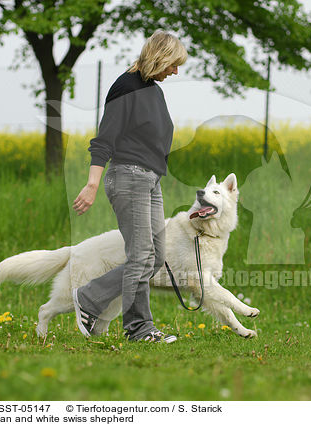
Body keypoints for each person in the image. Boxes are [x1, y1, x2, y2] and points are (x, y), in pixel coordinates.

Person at [71, 29, 187, 343]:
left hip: (150, 180)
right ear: (160, 57)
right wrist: (92, 184)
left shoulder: (153, 89)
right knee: (140, 256)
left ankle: (89, 297)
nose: (175, 71)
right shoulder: (126, 87)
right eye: (173, 64)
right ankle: (139, 329)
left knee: (154, 256)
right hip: (128, 177)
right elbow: (104, 140)